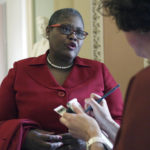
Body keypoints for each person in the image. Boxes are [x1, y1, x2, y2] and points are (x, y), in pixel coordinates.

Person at [0, 8, 123, 150]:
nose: (73, 36)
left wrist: (91, 140)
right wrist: (23, 137)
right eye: (65, 29)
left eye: (79, 33)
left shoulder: (98, 71)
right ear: (47, 31)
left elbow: (119, 123)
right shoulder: (20, 71)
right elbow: (2, 123)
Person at [60, 0, 150, 150]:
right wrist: (107, 122)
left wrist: (91, 134)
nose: (73, 37)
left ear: (131, 24)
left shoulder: (144, 83)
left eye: (80, 33)